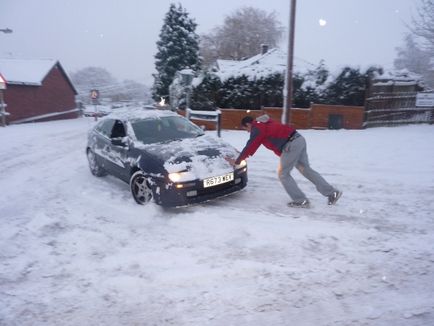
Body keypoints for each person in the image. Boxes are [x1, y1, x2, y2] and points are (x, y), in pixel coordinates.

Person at [226, 115, 342, 208]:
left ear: (248, 124)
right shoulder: (265, 124)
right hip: (298, 139)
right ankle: (332, 193)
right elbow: (275, 138)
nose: (247, 132)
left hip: (291, 145)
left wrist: (237, 161)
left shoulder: (257, 128)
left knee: (283, 174)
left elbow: (251, 145)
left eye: (246, 129)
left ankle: (300, 201)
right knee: (306, 170)